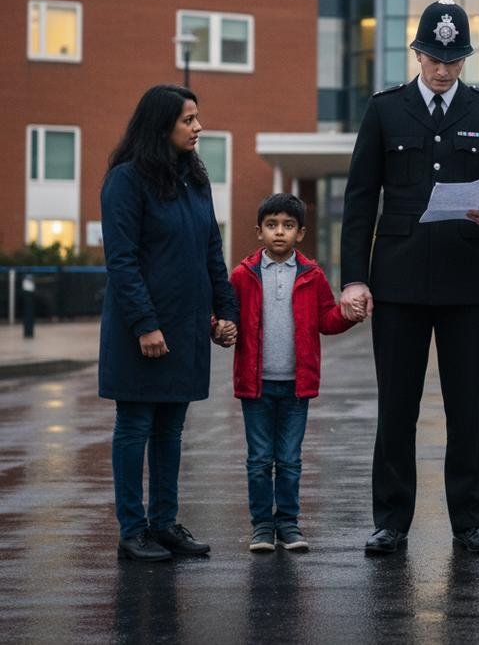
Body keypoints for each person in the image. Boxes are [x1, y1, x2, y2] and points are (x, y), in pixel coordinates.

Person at [340, 0, 479, 556]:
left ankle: (469, 522)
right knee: (397, 405)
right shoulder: (385, 110)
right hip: (397, 281)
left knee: (466, 407)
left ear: (464, 59)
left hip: (466, 280)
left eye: (454, 60)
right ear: (418, 52)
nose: (444, 70)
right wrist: (355, 278)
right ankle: (391, 522)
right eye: (435, 58)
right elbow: (358, 200)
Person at [99, 84, 238, 562]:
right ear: (162, 126)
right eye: (189, 120)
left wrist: (225, 313)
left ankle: (163, 525)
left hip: (185, 328)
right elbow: (121, 260)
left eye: (198, 118)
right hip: (142, 331)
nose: (198, 127)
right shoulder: (126, 180)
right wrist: (144, 324)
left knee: (171, 431)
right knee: (135, 425)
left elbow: (211, 253)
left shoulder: (194, 181)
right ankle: (132, 530)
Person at [226, 193, 359, 553]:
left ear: (300, 233)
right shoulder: (243, 274)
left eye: (287, 226)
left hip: (296, 385)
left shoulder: (313, 276)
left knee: (289, 460)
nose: (279, 232)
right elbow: (227, 317)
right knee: (258, 460)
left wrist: (347, 315)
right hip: (255, 385)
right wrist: (218, 328)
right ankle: (261, 528)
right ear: (259, 232)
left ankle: (288, 525)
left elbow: (326, 320)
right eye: (272, 226)